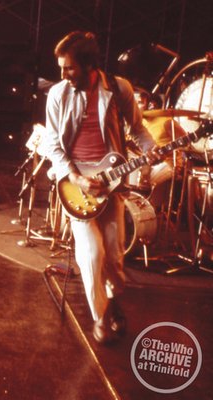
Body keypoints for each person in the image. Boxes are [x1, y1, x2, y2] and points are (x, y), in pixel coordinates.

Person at [42, 31, 158, 344]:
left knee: (114, 260)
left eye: (69, 68)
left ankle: (112, 299)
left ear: (90, 65)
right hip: (75, 184)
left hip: (112, 186)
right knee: (91, 254)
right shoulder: (58, 94)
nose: (63, 75)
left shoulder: (119, 89)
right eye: (61, 68)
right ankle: (101, 317)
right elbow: (52, 144)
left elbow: (138, 129)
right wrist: (76, 177)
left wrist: (151, 152)